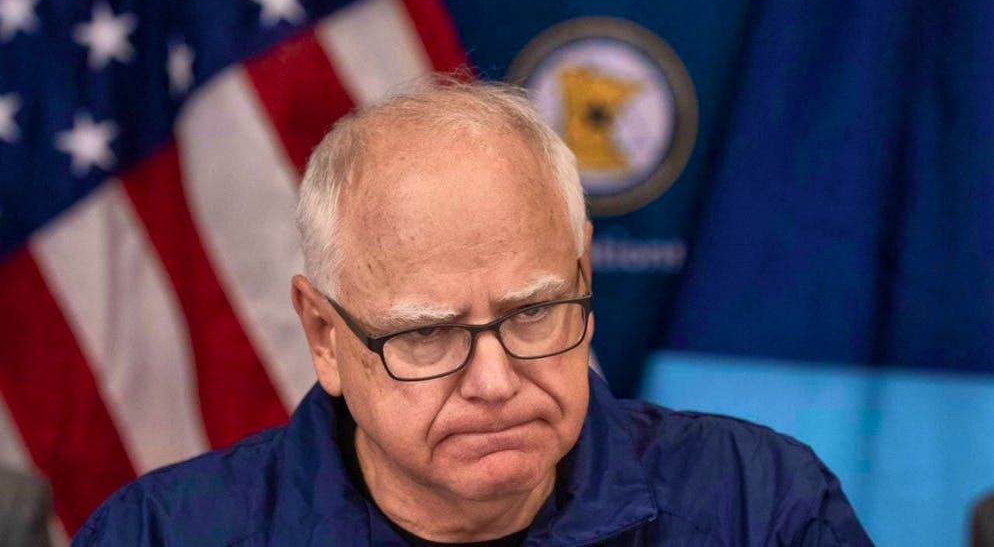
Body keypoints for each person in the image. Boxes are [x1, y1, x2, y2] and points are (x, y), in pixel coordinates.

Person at [72, 79, 873, 546]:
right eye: (426, 332)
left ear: (583, 272)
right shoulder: (162, 536)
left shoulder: (759, 507)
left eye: (533, 313)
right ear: (324, 334)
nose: (495, 381)